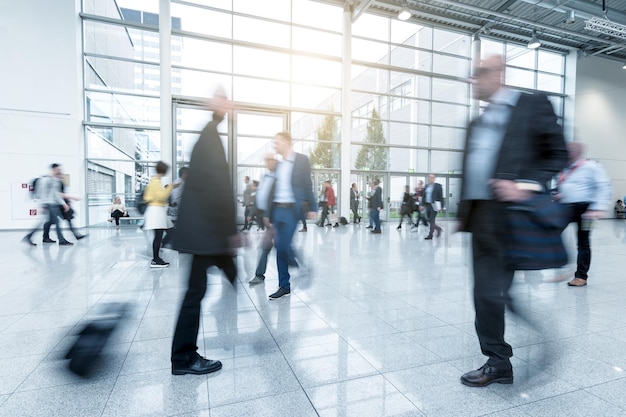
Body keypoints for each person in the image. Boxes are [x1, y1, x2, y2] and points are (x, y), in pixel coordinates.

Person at [457, 55, 568, 387]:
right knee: (485, 291)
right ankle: (499, 359)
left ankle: (500, 358)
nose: (473, 81)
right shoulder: (477, 123)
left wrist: (522, 185)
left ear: (499, 73)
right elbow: (469, 170)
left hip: (513, 215)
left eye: (478, 74)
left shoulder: (532, 105)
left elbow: (557, 154)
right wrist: (461, 215)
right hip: (481, 216)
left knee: (492, 290)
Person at [171, 90, 238, 376]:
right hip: (204, 232)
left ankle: (184, 355)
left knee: (195, 292)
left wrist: (220, 112)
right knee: (194, 293)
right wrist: (232, 231)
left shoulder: (209, 135)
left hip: (201, 231)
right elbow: (219, 189)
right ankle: (183, 358)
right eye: (223, 102)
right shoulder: (210, 139)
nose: (227, 106)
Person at [260, 131, 316, 299]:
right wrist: (268, 213)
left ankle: (302, 266)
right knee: (279, 248)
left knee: (283, 245)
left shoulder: (301, 160)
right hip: (277, 209)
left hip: (292, 209)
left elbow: (307, 184)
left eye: (277, 142)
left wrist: (313, 206)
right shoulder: (279, 165)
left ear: (285, 142)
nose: (275, 145)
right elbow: (273, 190)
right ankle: (284, 285)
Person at [555, 142, 611, 287]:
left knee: (583, 242)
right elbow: (565, 186)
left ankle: (581, 276)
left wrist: (597, 207)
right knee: (552, 232)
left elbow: (603, 185)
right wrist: (559, 194)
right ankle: (560, 263)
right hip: (566, 208)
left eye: (571, 150)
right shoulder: (565, 168)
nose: (568, 153)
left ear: (579, 152)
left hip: (585, 210)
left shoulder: (591, 166)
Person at [23, 163, 73, 246]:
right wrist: (42, 205)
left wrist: (64, 204)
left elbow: (56, 194)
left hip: (53, 204)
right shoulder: (45, 180)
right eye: (58, 170)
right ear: (53, 170)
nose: (60, 171)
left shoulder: (55, 180)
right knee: (56, 222)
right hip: (48, 204)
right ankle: (61, 240)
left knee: (44, 222)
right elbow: (40, 193)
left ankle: (29, 236)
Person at [143, 161, 179, 268]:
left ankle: (156, 257)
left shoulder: (155, 181)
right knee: (159, 236)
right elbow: (162, 196)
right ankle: (155, 259)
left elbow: (153, 196)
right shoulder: (155, 182)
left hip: (157, 211)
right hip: (156, 211)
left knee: (163, 233)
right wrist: (171, 187)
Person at [162, 166, 189, 247]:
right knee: (174, 229)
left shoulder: (177, 181)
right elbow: (178, 198)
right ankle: (168, 243)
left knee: (174, 229)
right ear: (184, 174)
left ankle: (168, 243)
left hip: (175, 210)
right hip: (178, 210)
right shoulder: (181, 183)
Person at [423, 173, 444, 240]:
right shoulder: (426, 186)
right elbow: (424, 196)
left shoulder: (438, 186)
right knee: (428, 219)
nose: (430, 179)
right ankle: (438, 229)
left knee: (432, 219)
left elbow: (441, 197)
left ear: (434, 178)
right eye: (429, 177)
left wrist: (442, 206)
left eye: (432, 177)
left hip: (434, 205)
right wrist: (422, 205)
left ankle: (430, 234)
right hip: (427, 205)